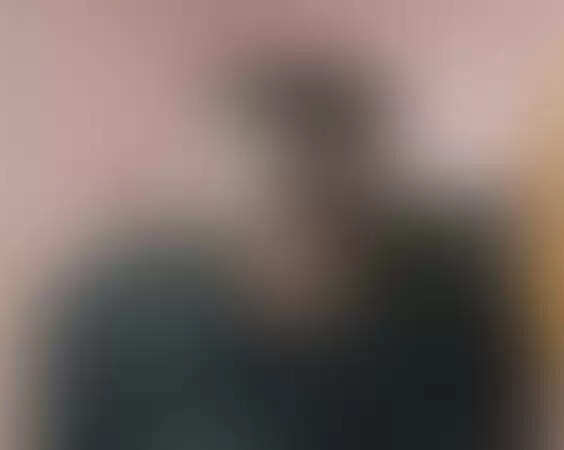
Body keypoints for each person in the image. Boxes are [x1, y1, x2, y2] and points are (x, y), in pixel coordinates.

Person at [45, 55, 510, 450]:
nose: (297, 213)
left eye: (321, 201)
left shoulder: (446, 326)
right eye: (276, 198)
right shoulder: (125, 330)